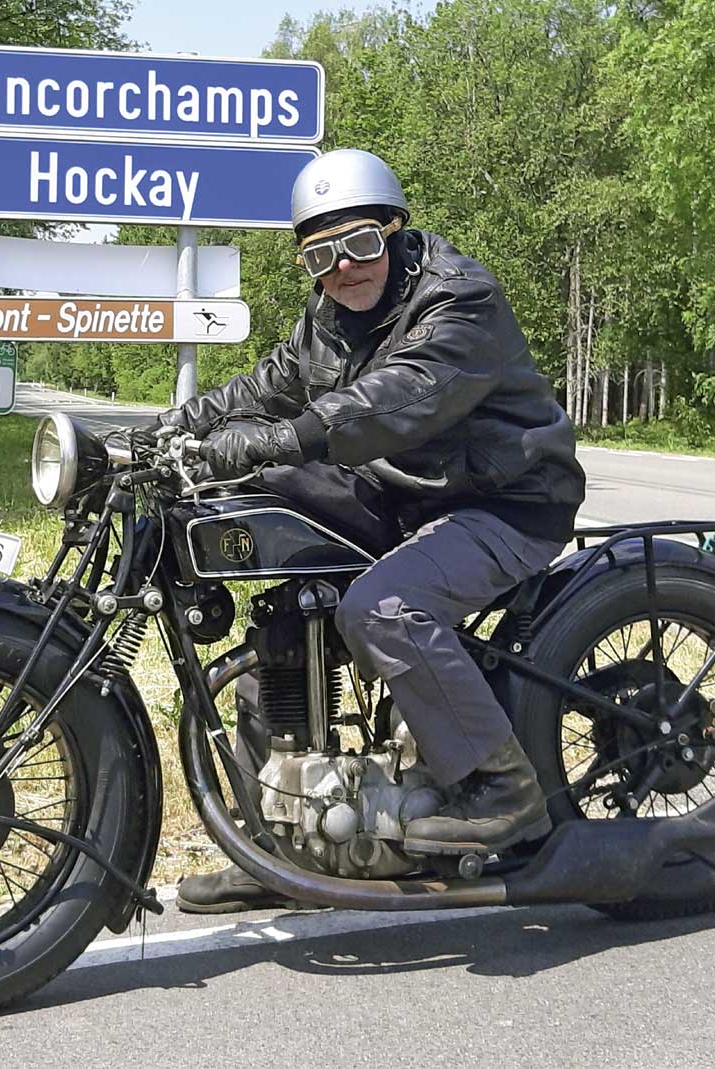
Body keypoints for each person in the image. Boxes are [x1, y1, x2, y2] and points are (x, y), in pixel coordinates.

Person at [157, 148, 586, 913]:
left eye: (359, 244)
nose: (345, 268)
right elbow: (263, 387)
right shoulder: (328, 321)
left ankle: (503, 787)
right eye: (321, 255)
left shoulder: (461, 299)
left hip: (507, 500)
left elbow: (400, 397)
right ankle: (279, 846)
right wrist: (162, 433)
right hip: (410, 494)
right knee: (280, 592)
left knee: (382, 607)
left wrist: (281, 438)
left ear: (393, 229)